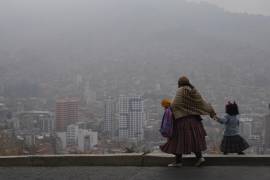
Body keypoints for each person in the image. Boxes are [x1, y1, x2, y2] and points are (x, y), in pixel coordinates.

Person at [160, 76, 216, 167]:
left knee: (178, 140)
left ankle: (178, 162)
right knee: (194, 139)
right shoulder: (193, 91)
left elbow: (175, 104)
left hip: (183, 121)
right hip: (195, 121)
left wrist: (168, 109)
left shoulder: (181, 90)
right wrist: (211, 111)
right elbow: (202, 103)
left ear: (179, 83)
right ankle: (200, 157)